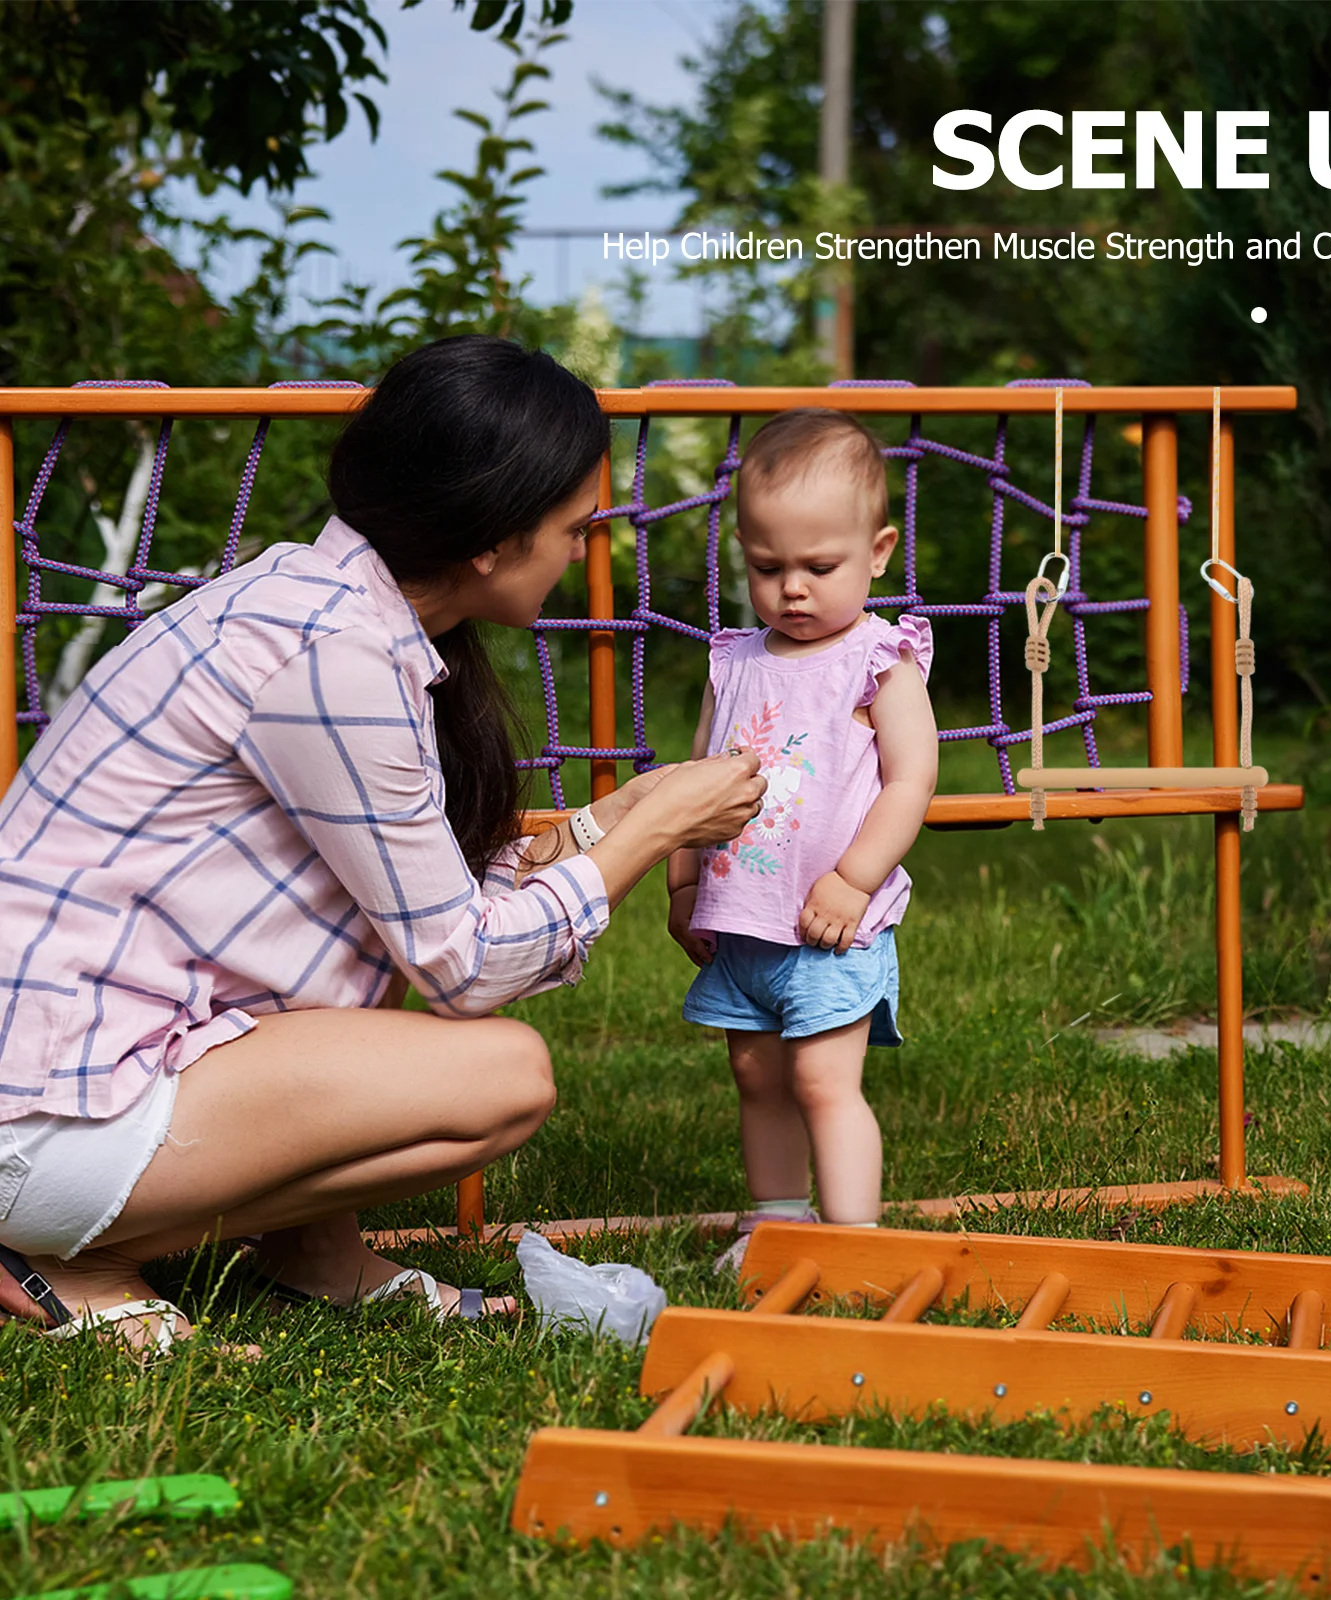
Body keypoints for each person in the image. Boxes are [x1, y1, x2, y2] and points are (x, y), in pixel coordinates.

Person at [0, 336, 766, 1350]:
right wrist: (656, 832)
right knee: (501, 1078)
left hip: (94, 1055)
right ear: (491, 539)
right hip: (42, 1108)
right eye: (575, 528)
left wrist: (601, 824)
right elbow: (464, 962)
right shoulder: (335, 662)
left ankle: (310, 1258)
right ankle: (56, 1251)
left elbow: (412, 893)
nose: (593, 551)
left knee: (392, 993)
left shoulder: (337, 613)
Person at [666, 409, 939, 1266]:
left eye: (820, 567)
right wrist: (682, 885)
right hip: (743, 921)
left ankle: (856, 1244)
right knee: (757, 1077)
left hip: (830, 927)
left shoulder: (879, 660)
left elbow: (912, 780)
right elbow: (695, 779)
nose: (793, 588)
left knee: (825, 1081)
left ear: (879, 553)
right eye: (767, 566)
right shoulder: (733, 660)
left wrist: (854, 879)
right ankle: (778, 1225)